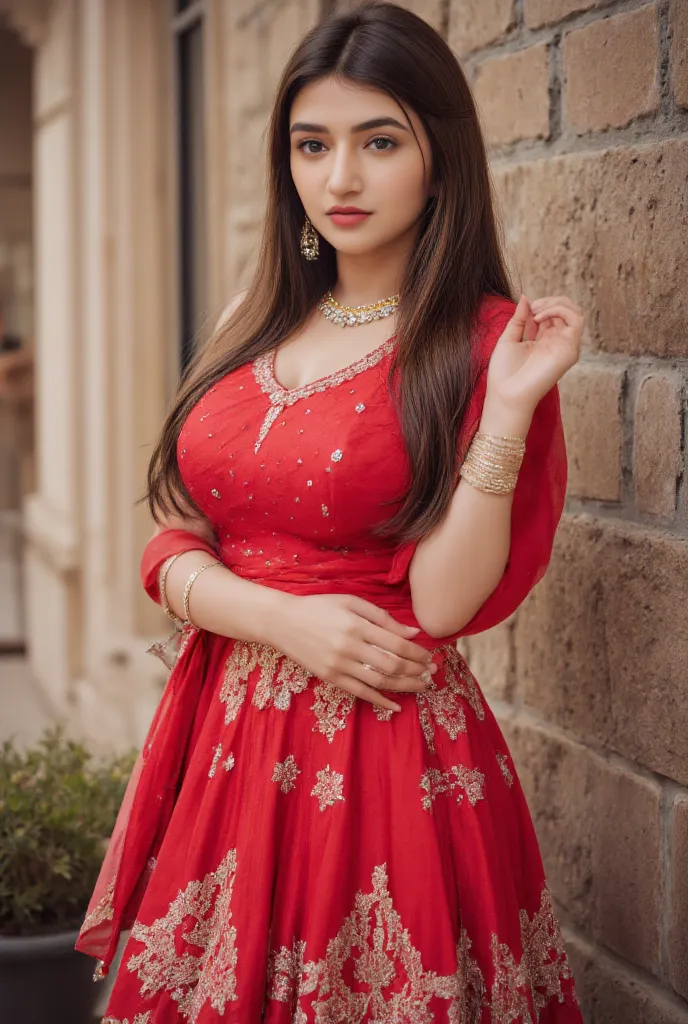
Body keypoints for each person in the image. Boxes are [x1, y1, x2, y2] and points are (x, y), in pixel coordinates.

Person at [78, 3, 584, 1020]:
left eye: (378, 142)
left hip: (377, 749)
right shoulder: (255, 315)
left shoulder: (482, 345)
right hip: (224, 739)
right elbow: (173, 530)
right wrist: (274, 617)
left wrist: (515, 405)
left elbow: (438, 608)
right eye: (312, 144)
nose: (339, 178)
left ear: (438, 160)